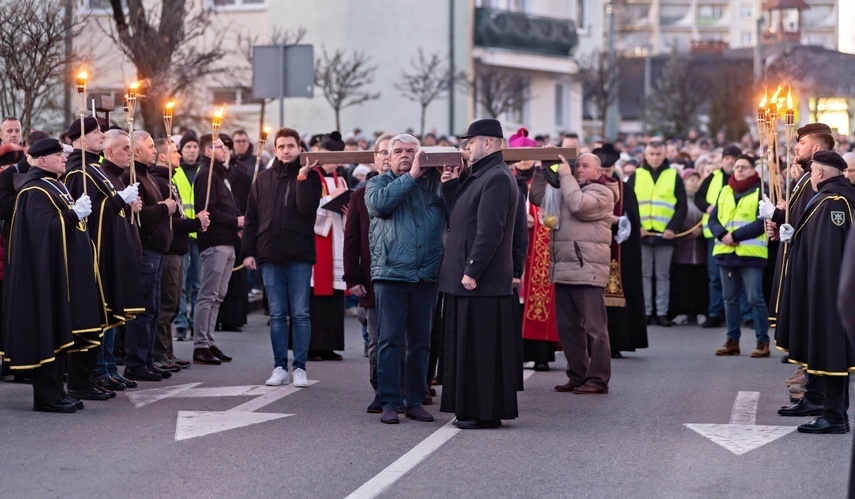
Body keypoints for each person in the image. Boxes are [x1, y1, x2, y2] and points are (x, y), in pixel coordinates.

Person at [0, 138, 104, 412]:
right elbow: (41, 231)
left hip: (61, 273)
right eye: (57, 155)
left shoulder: (54, 185)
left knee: (60, 331)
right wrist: (71, 216)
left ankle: (57, 389)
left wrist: (75, 214)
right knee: (47, 330)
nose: (63, 158)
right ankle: (46, 395)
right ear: (42, 160)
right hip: (43, 278)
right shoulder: (34, 190)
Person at [438, 119, 520, 429]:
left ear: (487, 143)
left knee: (481, 351)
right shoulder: (484, 175)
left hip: (479, 281)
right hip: (471, 280)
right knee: (469, 348)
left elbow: (490, 231)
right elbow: (464, 218)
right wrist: (450, 186)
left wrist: (473, 270)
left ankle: (484, 412)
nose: (465, 148)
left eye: (469, 142)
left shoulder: (496, 177)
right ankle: (473, 409)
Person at [365, 133, 445, 425]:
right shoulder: (377, 184)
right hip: (391, 275)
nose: (403, 155)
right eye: (397, 151)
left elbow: (456, 211)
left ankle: (414, 400)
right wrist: (411, 176)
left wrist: (450, 177)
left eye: (410, 151)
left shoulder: (434, 186)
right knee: (389, 342)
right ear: (387, 156)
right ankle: (389, 401)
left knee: (420, 342)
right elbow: (381, 206)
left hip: (425, 275)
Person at [775, 151, 855, 434]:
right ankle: (821, 403)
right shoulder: (830, 198)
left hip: (829, 292)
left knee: (832, 352)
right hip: (823, 290)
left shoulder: (834, 202)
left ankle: (835, 417)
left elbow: (831, 252)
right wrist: (794, 235)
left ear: (818, 173)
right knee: (824, 349)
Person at [63, 118, 145, 395]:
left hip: (110, 251)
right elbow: (87, 218)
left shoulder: (94, 170)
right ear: (82, 139)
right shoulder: (79, 173)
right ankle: (94, 373)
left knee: (108, 316)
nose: (101, 135)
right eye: (96, 132)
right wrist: (118, 201)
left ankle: (104, 368)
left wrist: (122, 201)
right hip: (94, 256)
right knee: (95, 317)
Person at [531, 152, 618, 394]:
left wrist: (566, 175)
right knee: (568, 327)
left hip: (587, 269)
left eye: (585, 165)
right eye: (576, 165)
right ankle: (578, 375)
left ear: (599, 172)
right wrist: (542, 168)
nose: (579, 169)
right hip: (564, 268)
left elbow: (579, 206)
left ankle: (598, 379)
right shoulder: (566, 188)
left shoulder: (603, 192)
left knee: (595, 329)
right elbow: (538, 197)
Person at [242, 128, 321, 388]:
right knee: (277, 314)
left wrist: (301, 177)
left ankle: (299, 367)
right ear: (275, 150)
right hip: (269, 253)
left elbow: (306, 209)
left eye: (291, 146)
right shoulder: (263, 178)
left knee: (300, 313)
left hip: (299, 253)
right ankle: (279, 366)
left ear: (300, 148)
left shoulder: (310, 177)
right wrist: (248, 252)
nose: (286, 150)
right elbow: (251, 217)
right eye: (281, 146)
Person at [121, 131, 176, 382]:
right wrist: (165, 207)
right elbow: (139, 216)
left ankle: (147, 359)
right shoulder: (133, 177)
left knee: (152, 309)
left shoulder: (148, 175)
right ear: (136, 151)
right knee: (142, 310)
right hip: (146, 249)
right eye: (150, 146)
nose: (154, 151)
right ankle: (136, 362)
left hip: (157, 251)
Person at [150, 138, 209, 371]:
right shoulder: (161, 182)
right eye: (175, 152)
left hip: (177, 250)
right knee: (167, 303)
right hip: (170, 250)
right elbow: (170, 222)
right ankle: (159, 354)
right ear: (162, 157)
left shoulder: (171, 179)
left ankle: (167, 352)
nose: (180, 156)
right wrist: (195, 223)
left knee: (172, 303)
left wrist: (194, 222)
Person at [343, 133, 392, 412]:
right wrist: (353, 278)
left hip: (403, 277)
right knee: (375, 342)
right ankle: (380, 390)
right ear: (374, 158)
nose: (387, 157)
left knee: (405, 341)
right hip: (371, 279)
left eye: (392, 151)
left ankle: (407, 390)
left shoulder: (412, 188)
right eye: (382, 152)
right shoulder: (361, 194)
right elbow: (351, 241)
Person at [708, 155, 769, 357]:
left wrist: (735, 236)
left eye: (744, 167)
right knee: (729, 299)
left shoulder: (762, 190)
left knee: (754, 299)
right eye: (737, 167)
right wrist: (723, 235)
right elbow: (713, 218)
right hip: (726, 252)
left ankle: (762, 342)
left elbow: (763, 221)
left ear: (753, 170)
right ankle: (732, 341)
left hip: (750, 253)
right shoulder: (725, 190)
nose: (739, 170)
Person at [594, 144, 648, 358]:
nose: (605, 174)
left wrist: (619, 221)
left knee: (618, 294)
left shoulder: (625, 189)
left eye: (608, 171)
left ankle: (617, 342)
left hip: (618, 249)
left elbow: (632, 221)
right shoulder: (584, 185)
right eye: (601, 170)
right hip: (592, 249)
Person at [193, 134, 242, 365]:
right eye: (221, 147)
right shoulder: (206, 174)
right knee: (208, 294)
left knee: (218, 295)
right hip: (215, 241)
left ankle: (209, 341)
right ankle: (200, 345)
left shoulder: (222, 175)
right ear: (209, 150)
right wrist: (235, 221)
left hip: (228, 240)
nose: (226, 151)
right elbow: (208, 210)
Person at [627, 141, 687, 326]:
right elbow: (629, 205)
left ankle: (661, 312)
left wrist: (672, 228)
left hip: (664, 234)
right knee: (644, 274)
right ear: (645, 155)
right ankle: (645, 312)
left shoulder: (673, 175)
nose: (654, 157)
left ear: (664, 155)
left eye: (657, 154)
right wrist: (637, 227)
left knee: (662, 275)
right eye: (651, 154)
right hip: (643, 233)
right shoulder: (636, 175)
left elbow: (681, 206)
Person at [308, 132, 349, 361]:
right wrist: (329, 200)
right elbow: (307, 207)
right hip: (319, 239)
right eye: (330, 155)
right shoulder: (312, 176)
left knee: (334, 296)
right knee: (317, 296)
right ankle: (314, 346)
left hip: (337, 239)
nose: (335, 161)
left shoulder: (341, 177)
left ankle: (330, 345)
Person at [695, 144, 740, 328]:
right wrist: (708, 208)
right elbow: (698, 197)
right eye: (727, 158)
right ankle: (715, 313)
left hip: (739, 235)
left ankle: (743, 314)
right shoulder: (712, 178)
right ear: (722, 160)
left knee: (740, 277)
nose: (730, 161)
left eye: (733, 158)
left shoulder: (744, 178)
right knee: (715, 277)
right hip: (714, 235)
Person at [669, 168, 707, 325]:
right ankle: (682, 311)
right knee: (682, 280)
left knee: (699, 281)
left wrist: (702, 229)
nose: (695, 183)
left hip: (699, 247)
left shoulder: (702, 199)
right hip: (682, 246)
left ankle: (700, 311)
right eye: (691, 180)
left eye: (697, 180)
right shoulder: (679, 198)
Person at [175, 132, 202, 341]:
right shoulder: (175, 172)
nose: (192, 150)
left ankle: (196, 322)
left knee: (198, 281)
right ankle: (181, 322)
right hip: (183, 231)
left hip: (201, 232)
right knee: (181, 281)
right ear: (181, 151)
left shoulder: (204, 171)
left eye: (194, 146)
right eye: (188, 147)